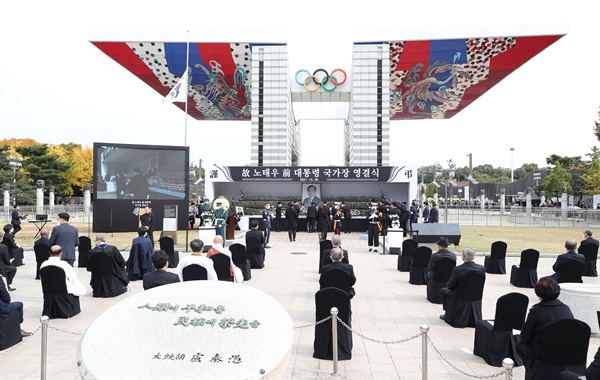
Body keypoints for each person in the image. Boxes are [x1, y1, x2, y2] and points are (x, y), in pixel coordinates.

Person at [519, 277, 574, 379]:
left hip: (540, 356)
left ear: (538, 294)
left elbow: (525, 336)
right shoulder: (566, 308)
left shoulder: (536, 311)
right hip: (562, 353)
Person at [439, 248, 485, 320]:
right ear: (474, 257)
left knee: (443, 290)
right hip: (476, 295)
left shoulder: (458, 269)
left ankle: (448, 313)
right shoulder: (482, 269)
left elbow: (451, 285)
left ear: (463, 257)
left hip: (459, 295)